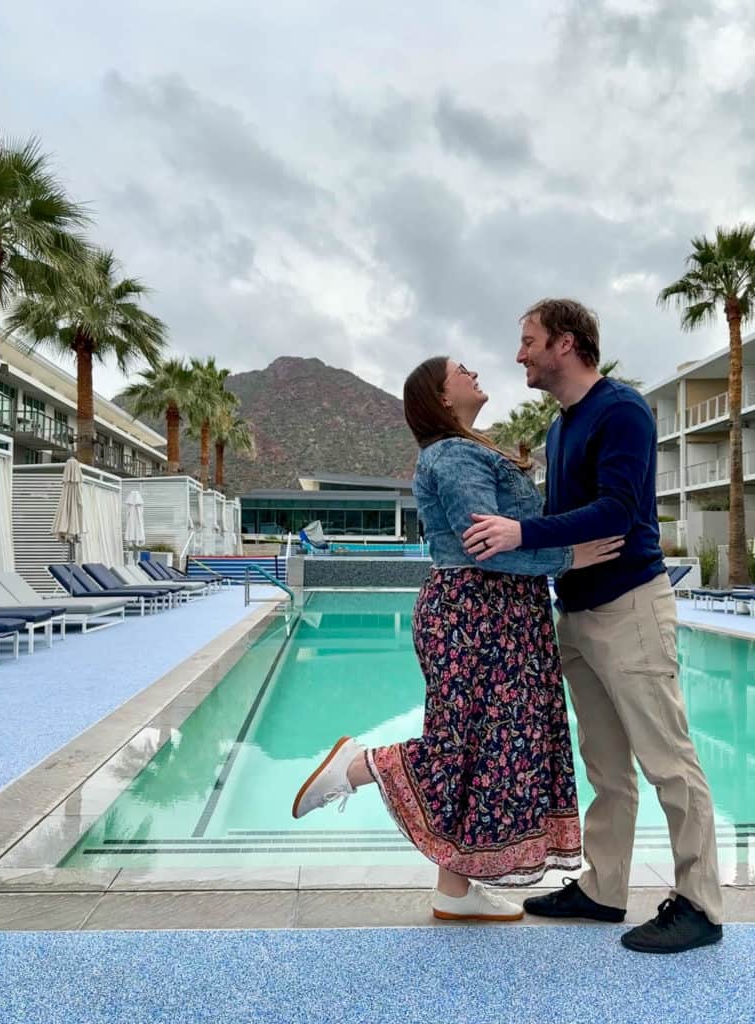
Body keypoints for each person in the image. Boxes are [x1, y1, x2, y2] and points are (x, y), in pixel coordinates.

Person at [291, 355, 623, 922]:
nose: (474, 372)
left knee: (482, 751)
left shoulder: (473, 449)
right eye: (460, 370)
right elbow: (486, 543)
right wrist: (570, 555)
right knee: (462, 748)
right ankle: (355, 767)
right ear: (442, 398)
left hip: (499, 613)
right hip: (476, 613)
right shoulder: (455, 455)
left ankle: (455, 887)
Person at [463, 298, 723, 953]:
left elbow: (617, 510)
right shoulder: (559, 427)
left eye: (529, 341)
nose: (519, 353)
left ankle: (701, 904)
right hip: (575, 614)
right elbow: (565, 519)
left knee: (669, 762)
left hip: (628, 607)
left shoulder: (621, 410)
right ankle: (606, 889)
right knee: (606, 765)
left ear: (568, 343)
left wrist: (522, 530)